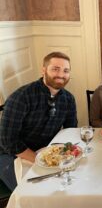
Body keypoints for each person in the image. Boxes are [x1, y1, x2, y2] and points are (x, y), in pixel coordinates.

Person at [0, 52, 77, 191]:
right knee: (33, 194)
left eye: (66, 70)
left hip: (44, 153)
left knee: (67, 186)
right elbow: (7, 141)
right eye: (55, 69)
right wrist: (40, 160)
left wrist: (67, 154)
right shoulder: (21, 97)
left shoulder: (69, 99)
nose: (61, 74)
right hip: (10, 155)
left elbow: (70, 130)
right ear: (43, 70)